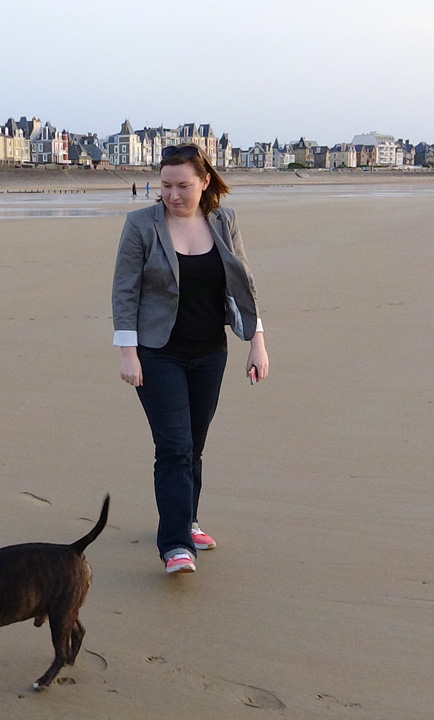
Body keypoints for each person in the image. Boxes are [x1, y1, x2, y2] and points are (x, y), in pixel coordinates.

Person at [111, 144, 269, 575]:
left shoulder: (224, 221)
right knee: (174, 447)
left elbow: (243, 283)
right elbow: (125, 291)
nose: (173, 195)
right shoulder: (141, 224)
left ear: (204, 182)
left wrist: (256, 342)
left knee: (193, 446)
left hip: (209, 353)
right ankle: (176, 545)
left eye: (183, 185)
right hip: (157, 354)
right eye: (165, 185)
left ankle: (188, 519)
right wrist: (129, 354)